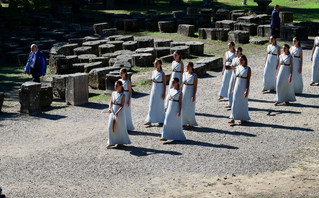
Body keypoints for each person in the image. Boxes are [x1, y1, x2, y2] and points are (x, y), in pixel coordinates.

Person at [106, 80, 131, 148]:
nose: (115, 87)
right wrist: (109, 108)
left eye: (117, 86)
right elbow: (111, 102)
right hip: (113, 111)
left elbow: (122, 106)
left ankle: (121, 142)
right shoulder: (113, 93)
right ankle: (111, 142)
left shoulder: (123, 95)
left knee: (120, 127)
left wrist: (117, 112)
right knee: (110, 126)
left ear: (121, 86)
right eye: (115, 85)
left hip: (120, 113)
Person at [228, 55, 251, 125]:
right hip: (237, 86)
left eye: (242, 60)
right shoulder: (237, 68)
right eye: (240, 60)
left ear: (245, 60)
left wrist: (246, 90)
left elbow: (248, 80)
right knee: (234, 101)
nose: (240, 61)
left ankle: (242, 118)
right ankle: (233, 118)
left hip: (243, 86)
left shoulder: (248, 69)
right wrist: (233, 88)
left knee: (242, 102)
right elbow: (235, 79)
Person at [144, 59, 166, 126]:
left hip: (160, 89)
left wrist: (164, 93)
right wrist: (151, 90)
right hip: (154, 89)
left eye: (156, 63)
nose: (155, 64)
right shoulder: (153, 72)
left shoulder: (162, 73)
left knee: (160, 105)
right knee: (152, 104)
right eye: (154, 63)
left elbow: (164, 84)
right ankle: (149, 120)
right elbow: (153, 82)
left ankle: (161, 120)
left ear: (160, 64)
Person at [181, 62, 198, 128]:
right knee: (183, 107)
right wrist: (180, 92)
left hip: (190, 92)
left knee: (190, 108)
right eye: (186, 66)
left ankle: (191, 123)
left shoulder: (194, 75)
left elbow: (195, 86)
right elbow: (182, 84)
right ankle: (183, 122)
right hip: (184, 92)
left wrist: (193, 95)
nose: (187, 67)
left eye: (188, 66)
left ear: (191, 67)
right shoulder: (184, 74)